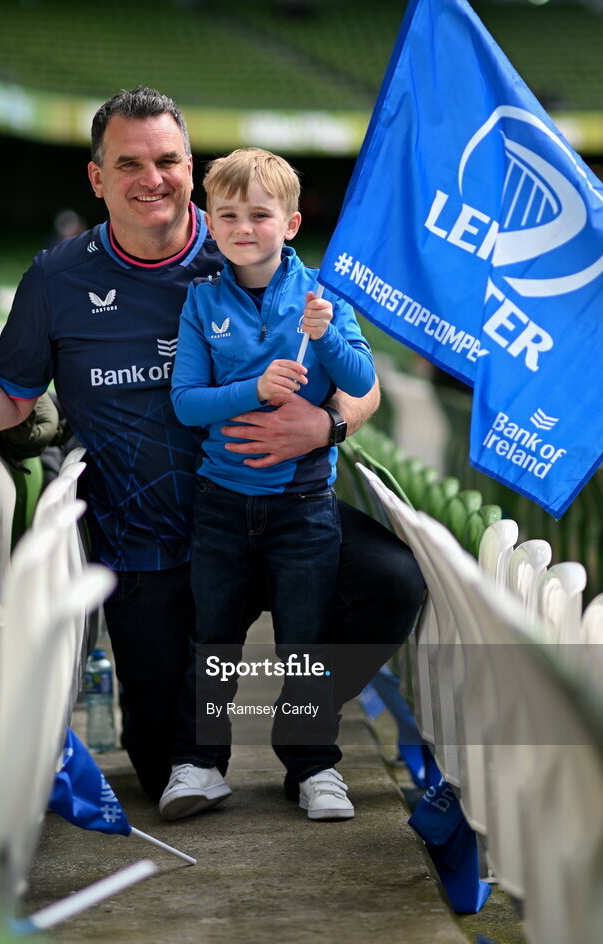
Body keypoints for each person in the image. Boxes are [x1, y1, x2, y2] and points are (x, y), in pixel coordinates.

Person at [0, 86, 424, 802]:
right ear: (97, 178)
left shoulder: (250, 233)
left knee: (393, 580)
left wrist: (329, 424)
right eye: (130, 164)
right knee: (157, 768)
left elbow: (359, 382)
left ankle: (300, 723)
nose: (153, 178)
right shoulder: (58, 277)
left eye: (169, 160)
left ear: (190, 166)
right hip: (148, 540)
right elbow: (13, 396)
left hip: (273, 507)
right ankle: (198, 737)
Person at [159, 148, 375, 822]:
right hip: (222, 504)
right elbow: (187, 403)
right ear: (210, 223)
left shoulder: (320, 297)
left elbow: (361, 382)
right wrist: (251, 389)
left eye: (260, 214)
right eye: (228, 214)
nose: (243, 226)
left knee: (304, 641)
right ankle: (199, 763)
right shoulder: (201, 302)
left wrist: (327, 339)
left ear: (292, 223)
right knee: (213, 638)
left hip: (303, 507)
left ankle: (313, 767)